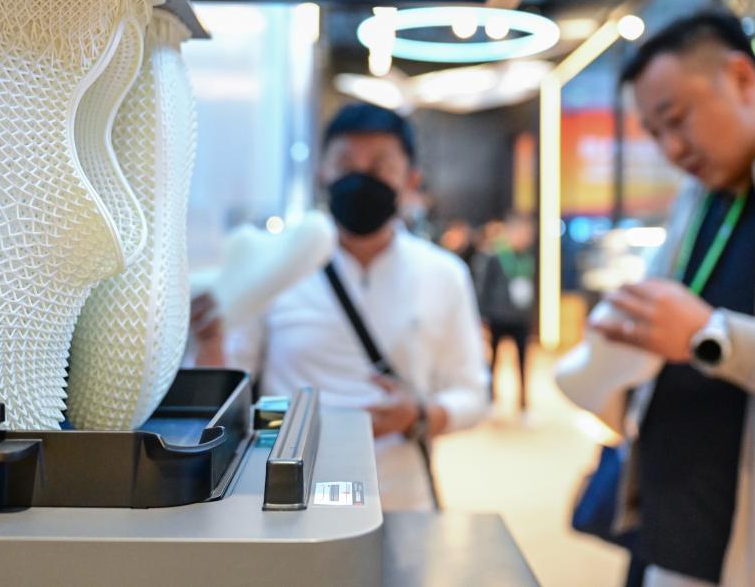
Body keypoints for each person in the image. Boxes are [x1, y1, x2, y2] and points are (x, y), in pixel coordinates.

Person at [588, 11, 755, 586]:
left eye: (675, 119)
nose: (671, 147)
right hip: (669, 535)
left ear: (740, 77)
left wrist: (709, 337)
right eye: (654, 133)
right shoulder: (701, 191)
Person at [193, 103, 489, 511]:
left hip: (399, 498)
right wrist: (208, 339)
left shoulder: (443, 274)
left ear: (411, 179)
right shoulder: (278, 266)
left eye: (381, 166)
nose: (361, 178)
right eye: (346, 164)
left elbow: (473, 395)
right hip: (286, 496)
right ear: (323, 173)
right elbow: (228, 385)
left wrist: (417, 416)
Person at [476, 213, 536, 410]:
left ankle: (523, 402)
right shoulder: (495, 256)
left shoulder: (527, 257)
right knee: (493, 360)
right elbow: (484, 287)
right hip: (498, 317)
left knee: (523, 361)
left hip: (520, 317)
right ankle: (491, 398)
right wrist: (483, 315)